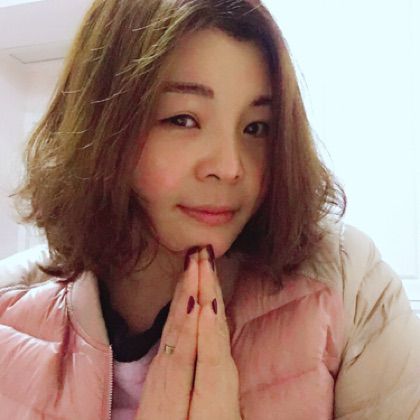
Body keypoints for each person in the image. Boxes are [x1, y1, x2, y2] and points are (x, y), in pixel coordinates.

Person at [0, 0, 419, 419]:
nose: (230, 167)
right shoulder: (8, 311)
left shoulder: (350, 282)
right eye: (183, 119)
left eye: (256, 127)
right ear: (102, 124)